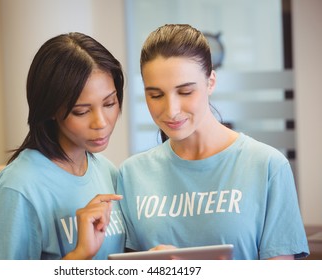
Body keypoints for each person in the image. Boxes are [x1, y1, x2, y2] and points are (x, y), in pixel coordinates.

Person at [117, 24, 309, 260]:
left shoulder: (267, 166)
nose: (171, 110)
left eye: (185, 92)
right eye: (155, 95)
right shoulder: (132, 174)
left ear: (210, 82)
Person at [0, 32, 126, 260]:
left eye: (109, 103)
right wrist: (79, 255)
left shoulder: (107, 171)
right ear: (50, 109)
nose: (101, 122)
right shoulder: (18, 189)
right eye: (81, 111)